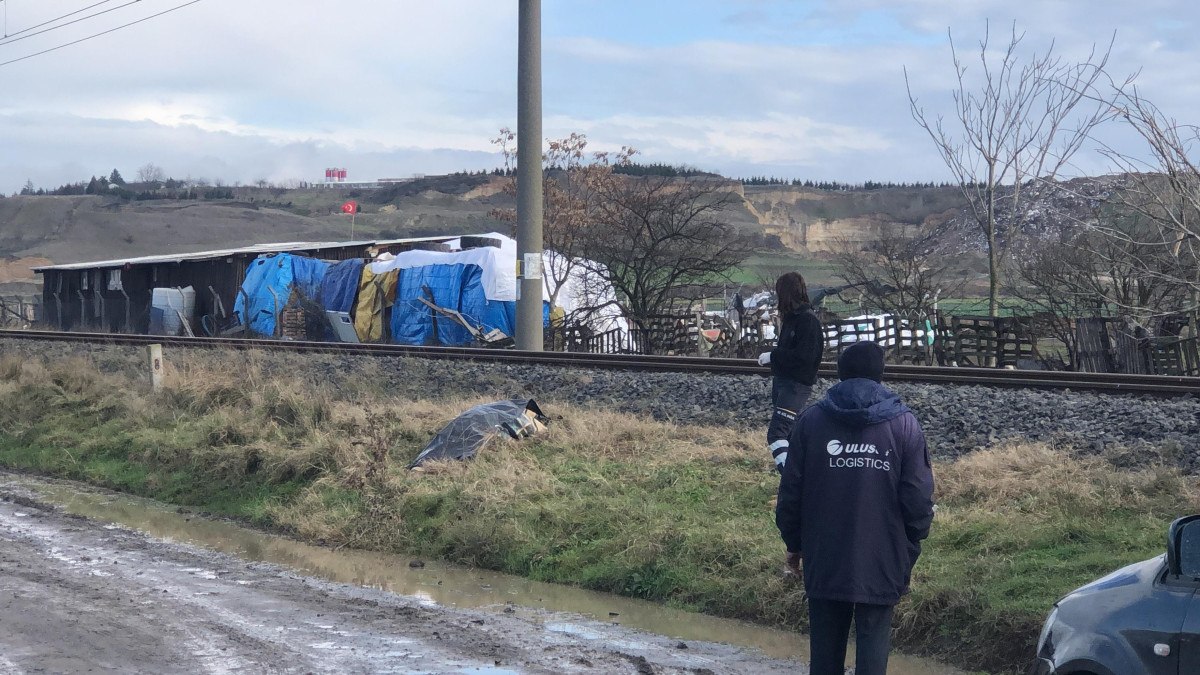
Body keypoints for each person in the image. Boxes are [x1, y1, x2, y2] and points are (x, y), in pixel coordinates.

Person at [775, 340, 935, 675]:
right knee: (873, 658)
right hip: (882, 557)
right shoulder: (905, 425)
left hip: (824, 555)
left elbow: (791, 492)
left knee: (824, 659)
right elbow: (918, 499)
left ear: (840, 374)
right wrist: (909, 547)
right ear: (881, 375)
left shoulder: (811, 421)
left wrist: (794, 544)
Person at [758, 272, 824, 471]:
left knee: (777, 434)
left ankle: (790, 479)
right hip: (786, 384)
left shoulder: (807, 321)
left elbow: (804, 357)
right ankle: (807, 475)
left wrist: (773, 357)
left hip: (795, 386)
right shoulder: (793, 319)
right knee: (791, 435)